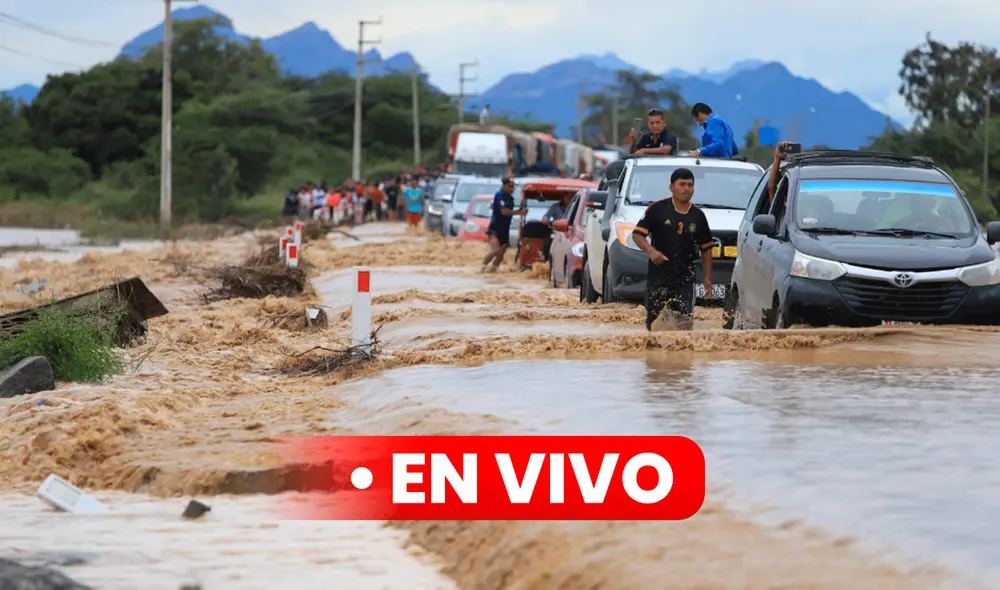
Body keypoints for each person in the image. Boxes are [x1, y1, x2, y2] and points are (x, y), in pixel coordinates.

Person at [631, 168, 714, 331]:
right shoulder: (656, 209)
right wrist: (652, 252)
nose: (686, 189)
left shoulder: (698, 216)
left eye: (690, 185)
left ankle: (681, 356)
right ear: (671, 187)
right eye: (682, 184)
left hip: (685, 279)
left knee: (683, 324)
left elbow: (707, 248)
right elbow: (637, 235)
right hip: (658, 278)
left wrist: (708, 278)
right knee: (654, 325)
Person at [481, 177, 527, 273]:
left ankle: (492, 271)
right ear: (504, 186)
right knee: (496, 250)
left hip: (505, 230)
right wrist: (519, 213)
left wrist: (521, 209)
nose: (512, 189)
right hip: (494, 228)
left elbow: (512, 211)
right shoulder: (499, 195)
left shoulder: (511, 199)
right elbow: (504, 211)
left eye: (513, 187)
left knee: (501, 255)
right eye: (510, 186)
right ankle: (482, 268)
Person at [540, 192, 571, 262]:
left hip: (571, 230)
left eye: (571, 197)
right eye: (567, 197)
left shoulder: (576, 207)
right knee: (548, 242)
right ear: (563, 197)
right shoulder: (555, 206)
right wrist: (545, 219)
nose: (569, 198)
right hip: (557, 230)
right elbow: (546, 216)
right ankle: (546, 260)